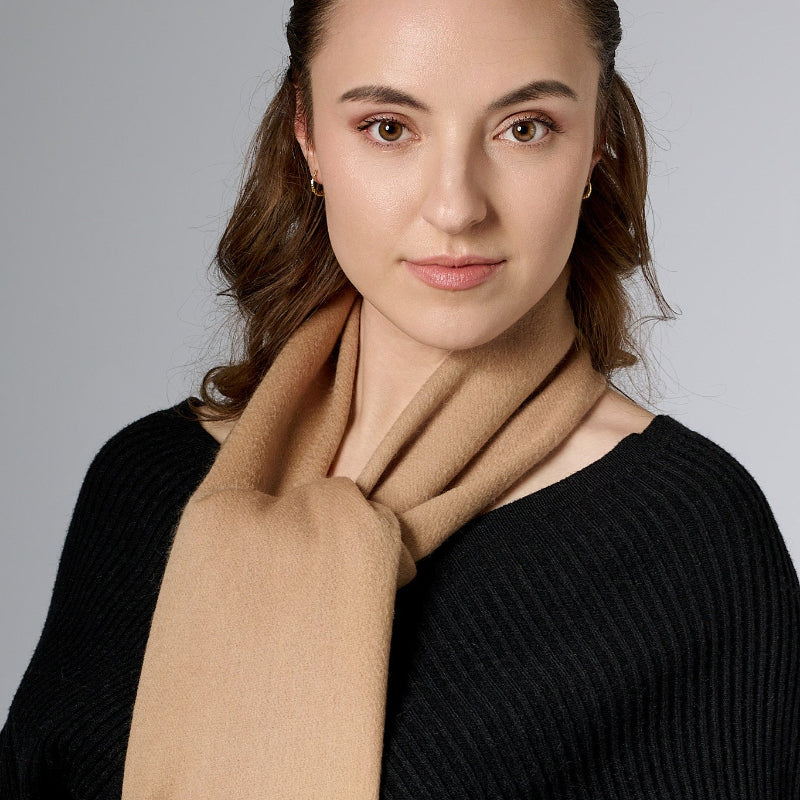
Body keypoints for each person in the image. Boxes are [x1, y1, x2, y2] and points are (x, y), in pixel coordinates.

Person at [2, 0, 798, 797]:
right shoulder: (148, 483)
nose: (455, 207)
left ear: (598, 143)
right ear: (307, 138)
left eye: (524, 127)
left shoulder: (685, 535)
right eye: (388, 127)